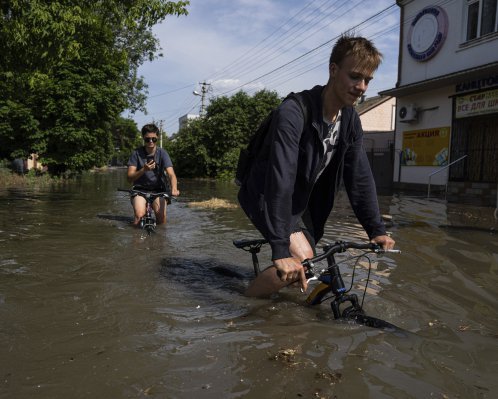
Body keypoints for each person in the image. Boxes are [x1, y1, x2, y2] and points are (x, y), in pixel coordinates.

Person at [237, 34, 395, 297]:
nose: (362, 87)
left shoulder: (350, 120)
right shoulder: (293, 112)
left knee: (306, 266)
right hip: (265, 193)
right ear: (333, 70)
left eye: (368, 80)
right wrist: (279, 247)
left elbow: (359, 177)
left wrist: (376, 229)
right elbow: (280, 177)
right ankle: (242, 306)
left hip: (301, 202)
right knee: (302, 258)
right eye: (355, 76)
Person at [127, 123, 180, 225]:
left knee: (161, 217)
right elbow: (129, 178)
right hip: (139, 189)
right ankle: (136, 239)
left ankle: (161, 239)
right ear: (143, 138)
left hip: (159, 190)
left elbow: (171, 174)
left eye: (153, 139)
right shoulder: (136, 153)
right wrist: (143, 170)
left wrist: (174, 188)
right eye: (147, 139)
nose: (151, 141)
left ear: (157, 138)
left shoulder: (163, 153)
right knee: (139, 215)